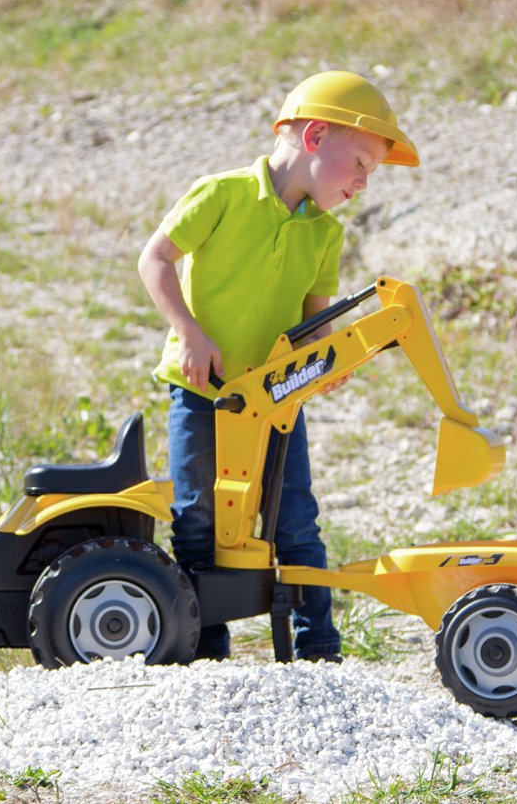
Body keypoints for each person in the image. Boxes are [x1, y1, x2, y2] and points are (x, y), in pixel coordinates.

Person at [137, 70, 419, 661]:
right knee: (198, 517)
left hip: (278, 400)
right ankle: (203, 640)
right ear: (315, 136)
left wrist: (330, 358)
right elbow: (155, 258)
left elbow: (316, 321)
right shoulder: (221, 194)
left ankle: (319, 644)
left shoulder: (325, 232)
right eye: (362, 164)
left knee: (293, 520)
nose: (365, 183)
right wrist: (188, 330)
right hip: (202, 391)